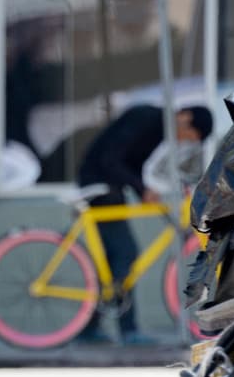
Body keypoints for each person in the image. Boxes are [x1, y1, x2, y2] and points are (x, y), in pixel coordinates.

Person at [75, 104, 214, 345]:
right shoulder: (146, 119)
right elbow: (111, 159)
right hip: (99, 185)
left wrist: (143, 190)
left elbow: (130, 162)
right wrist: (141, 188)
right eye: (189, 136)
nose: (183, 141)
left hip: (107, 185)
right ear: (185, 117)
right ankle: (127, 330)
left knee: (113, 260)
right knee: (126, 253)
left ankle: (89, 328)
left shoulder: (156, 127)